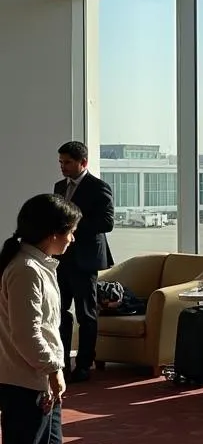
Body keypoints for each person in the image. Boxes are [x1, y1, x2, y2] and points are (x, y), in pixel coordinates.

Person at [0, 194, 87, 444]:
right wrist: (53, 369)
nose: (73, 239)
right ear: (53, 233)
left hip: (39, 377)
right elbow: (27, 334)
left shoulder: (38, 263)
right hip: (26, 380)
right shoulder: (26, 270)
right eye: (70, 233)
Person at [54, 141, 114, 383]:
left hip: (85, 260)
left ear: (83, 162)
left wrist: (72, 227)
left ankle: (84, 364)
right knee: (58, 312)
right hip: (61, 258)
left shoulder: (98, 187)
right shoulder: (59, 186)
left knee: (86, 314)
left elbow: (107, 223)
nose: (63, 167)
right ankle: (62, 361)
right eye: (60, 162)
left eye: (67, 162)